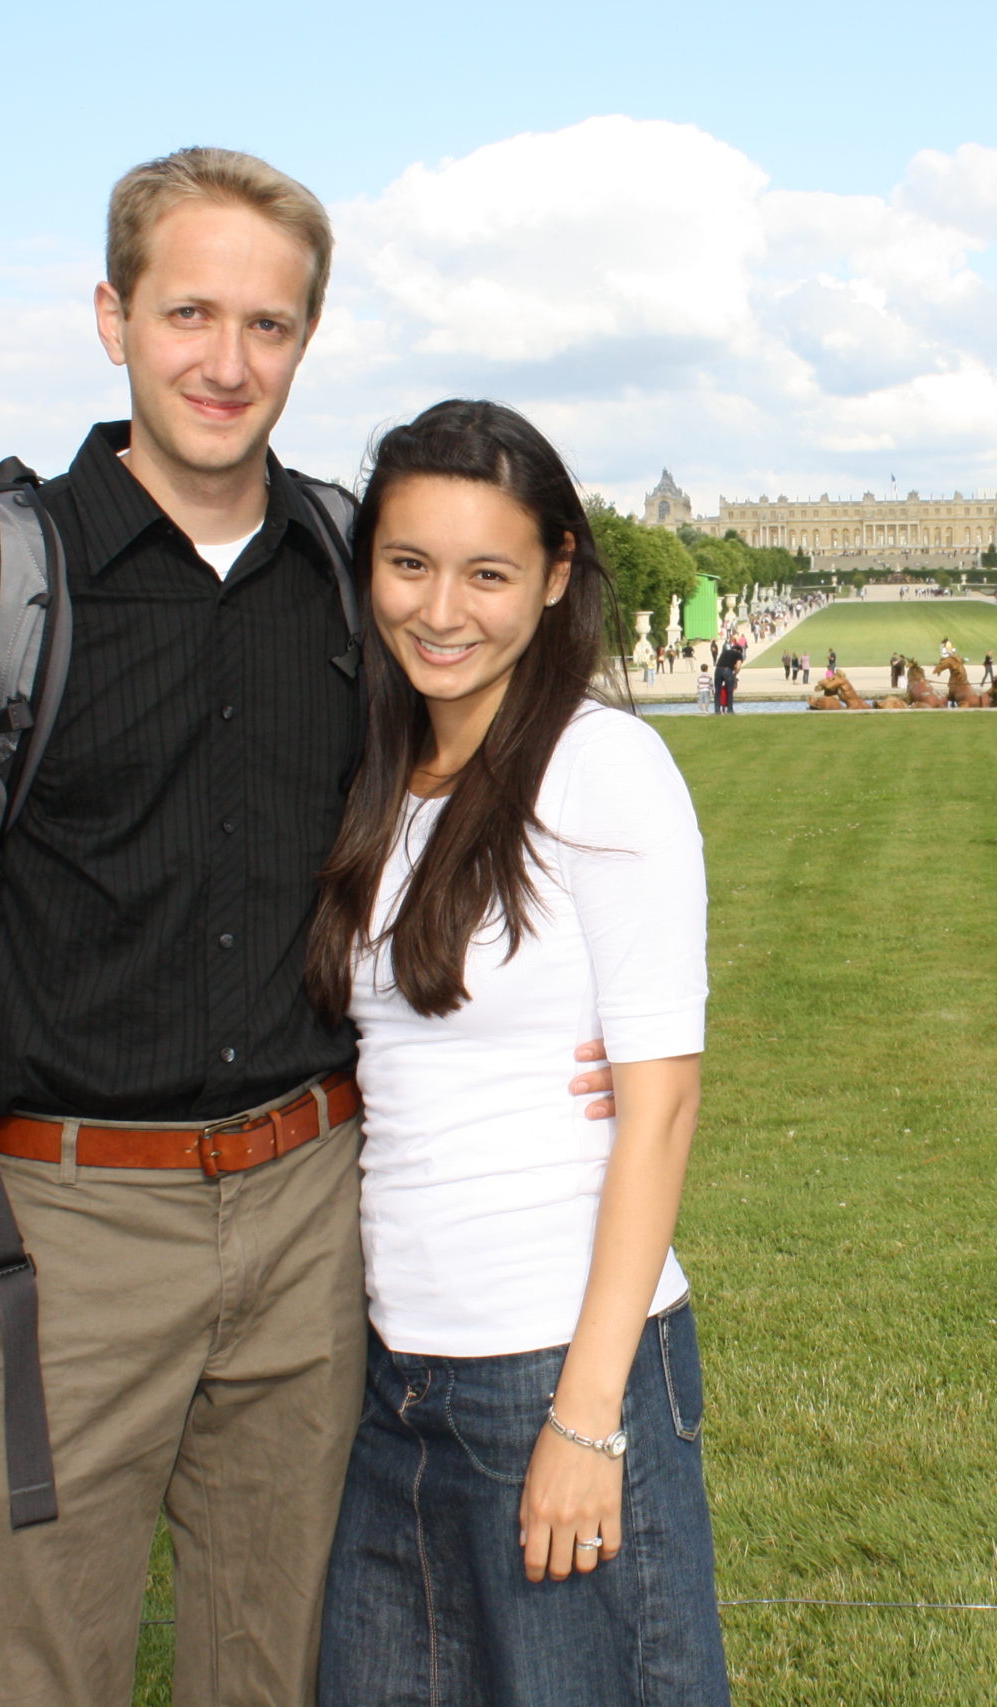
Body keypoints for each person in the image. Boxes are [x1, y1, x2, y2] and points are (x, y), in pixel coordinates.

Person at [0, 150, 612, 1705]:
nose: (228, 363)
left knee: (287, 1665)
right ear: (112, 317)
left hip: (311, 1212)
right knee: (16, 1672)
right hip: (63, 1217)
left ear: (308, 339)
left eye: (271, 325)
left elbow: (502, 801)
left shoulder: (360, 578)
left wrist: (579, 1050)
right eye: (188, 314)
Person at [310, 401, 728, 1704]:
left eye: (489, 573)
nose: (443, 609)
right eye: (409, 563)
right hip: (398, 1379)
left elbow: (659, 1110)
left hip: (553, 1361)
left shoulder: (602, 767)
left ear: (555, 579)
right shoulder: (384, 772)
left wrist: (587, 1418)